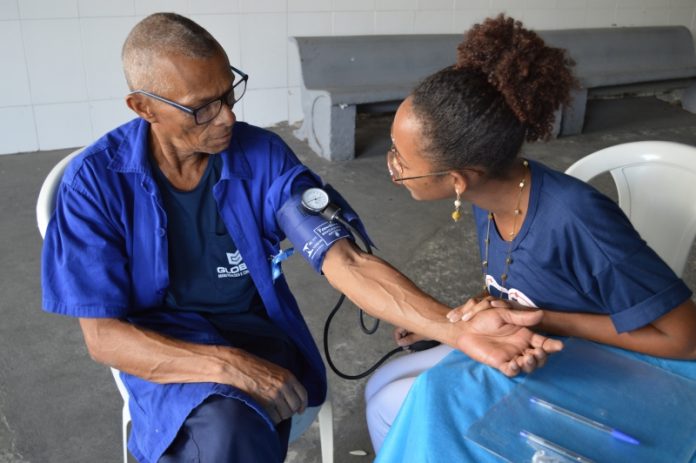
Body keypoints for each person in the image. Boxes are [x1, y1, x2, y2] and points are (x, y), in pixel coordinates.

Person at [40, 12, 563, 463]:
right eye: (203, 107)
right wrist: (229, 367)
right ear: (144, 107)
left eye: (229, 93)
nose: (228, 117)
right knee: (225, 427)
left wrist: (455, 330)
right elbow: (103, 337)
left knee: (229, 429)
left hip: (256, 336)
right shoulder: (94, 184)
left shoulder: (261, 156)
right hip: (166, 351)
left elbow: (346, 262)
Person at [365, 14, 696, 459]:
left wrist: (544, 317)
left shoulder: (576, 221)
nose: (393, 168)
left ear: (459, 179)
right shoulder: (492, 197)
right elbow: (514, 282)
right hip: (546, 346)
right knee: (383, 385)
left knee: (405, 400)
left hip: (617, 371)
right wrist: (463, 315)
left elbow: (686, 340)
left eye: (401, 160)